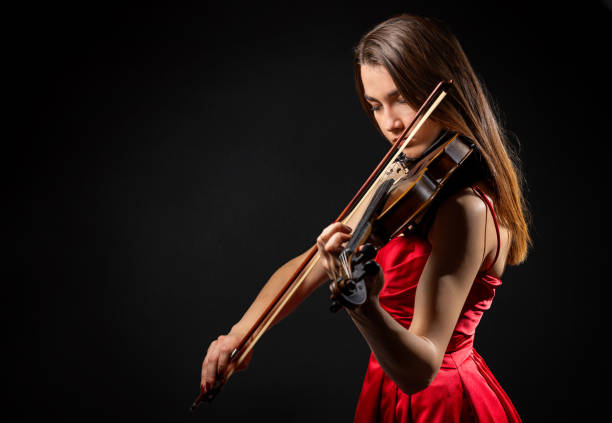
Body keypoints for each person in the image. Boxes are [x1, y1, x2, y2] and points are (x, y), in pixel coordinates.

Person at [201, 14, 530, 422]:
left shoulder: (465, 209)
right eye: (376, 105)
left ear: (442, 88)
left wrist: (364, 306)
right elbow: (309, 267)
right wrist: (240, 335)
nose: (391, 124)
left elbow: (422, 369)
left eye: (402, 99)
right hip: (386, 388)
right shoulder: (408, 175)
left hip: (439, 404)